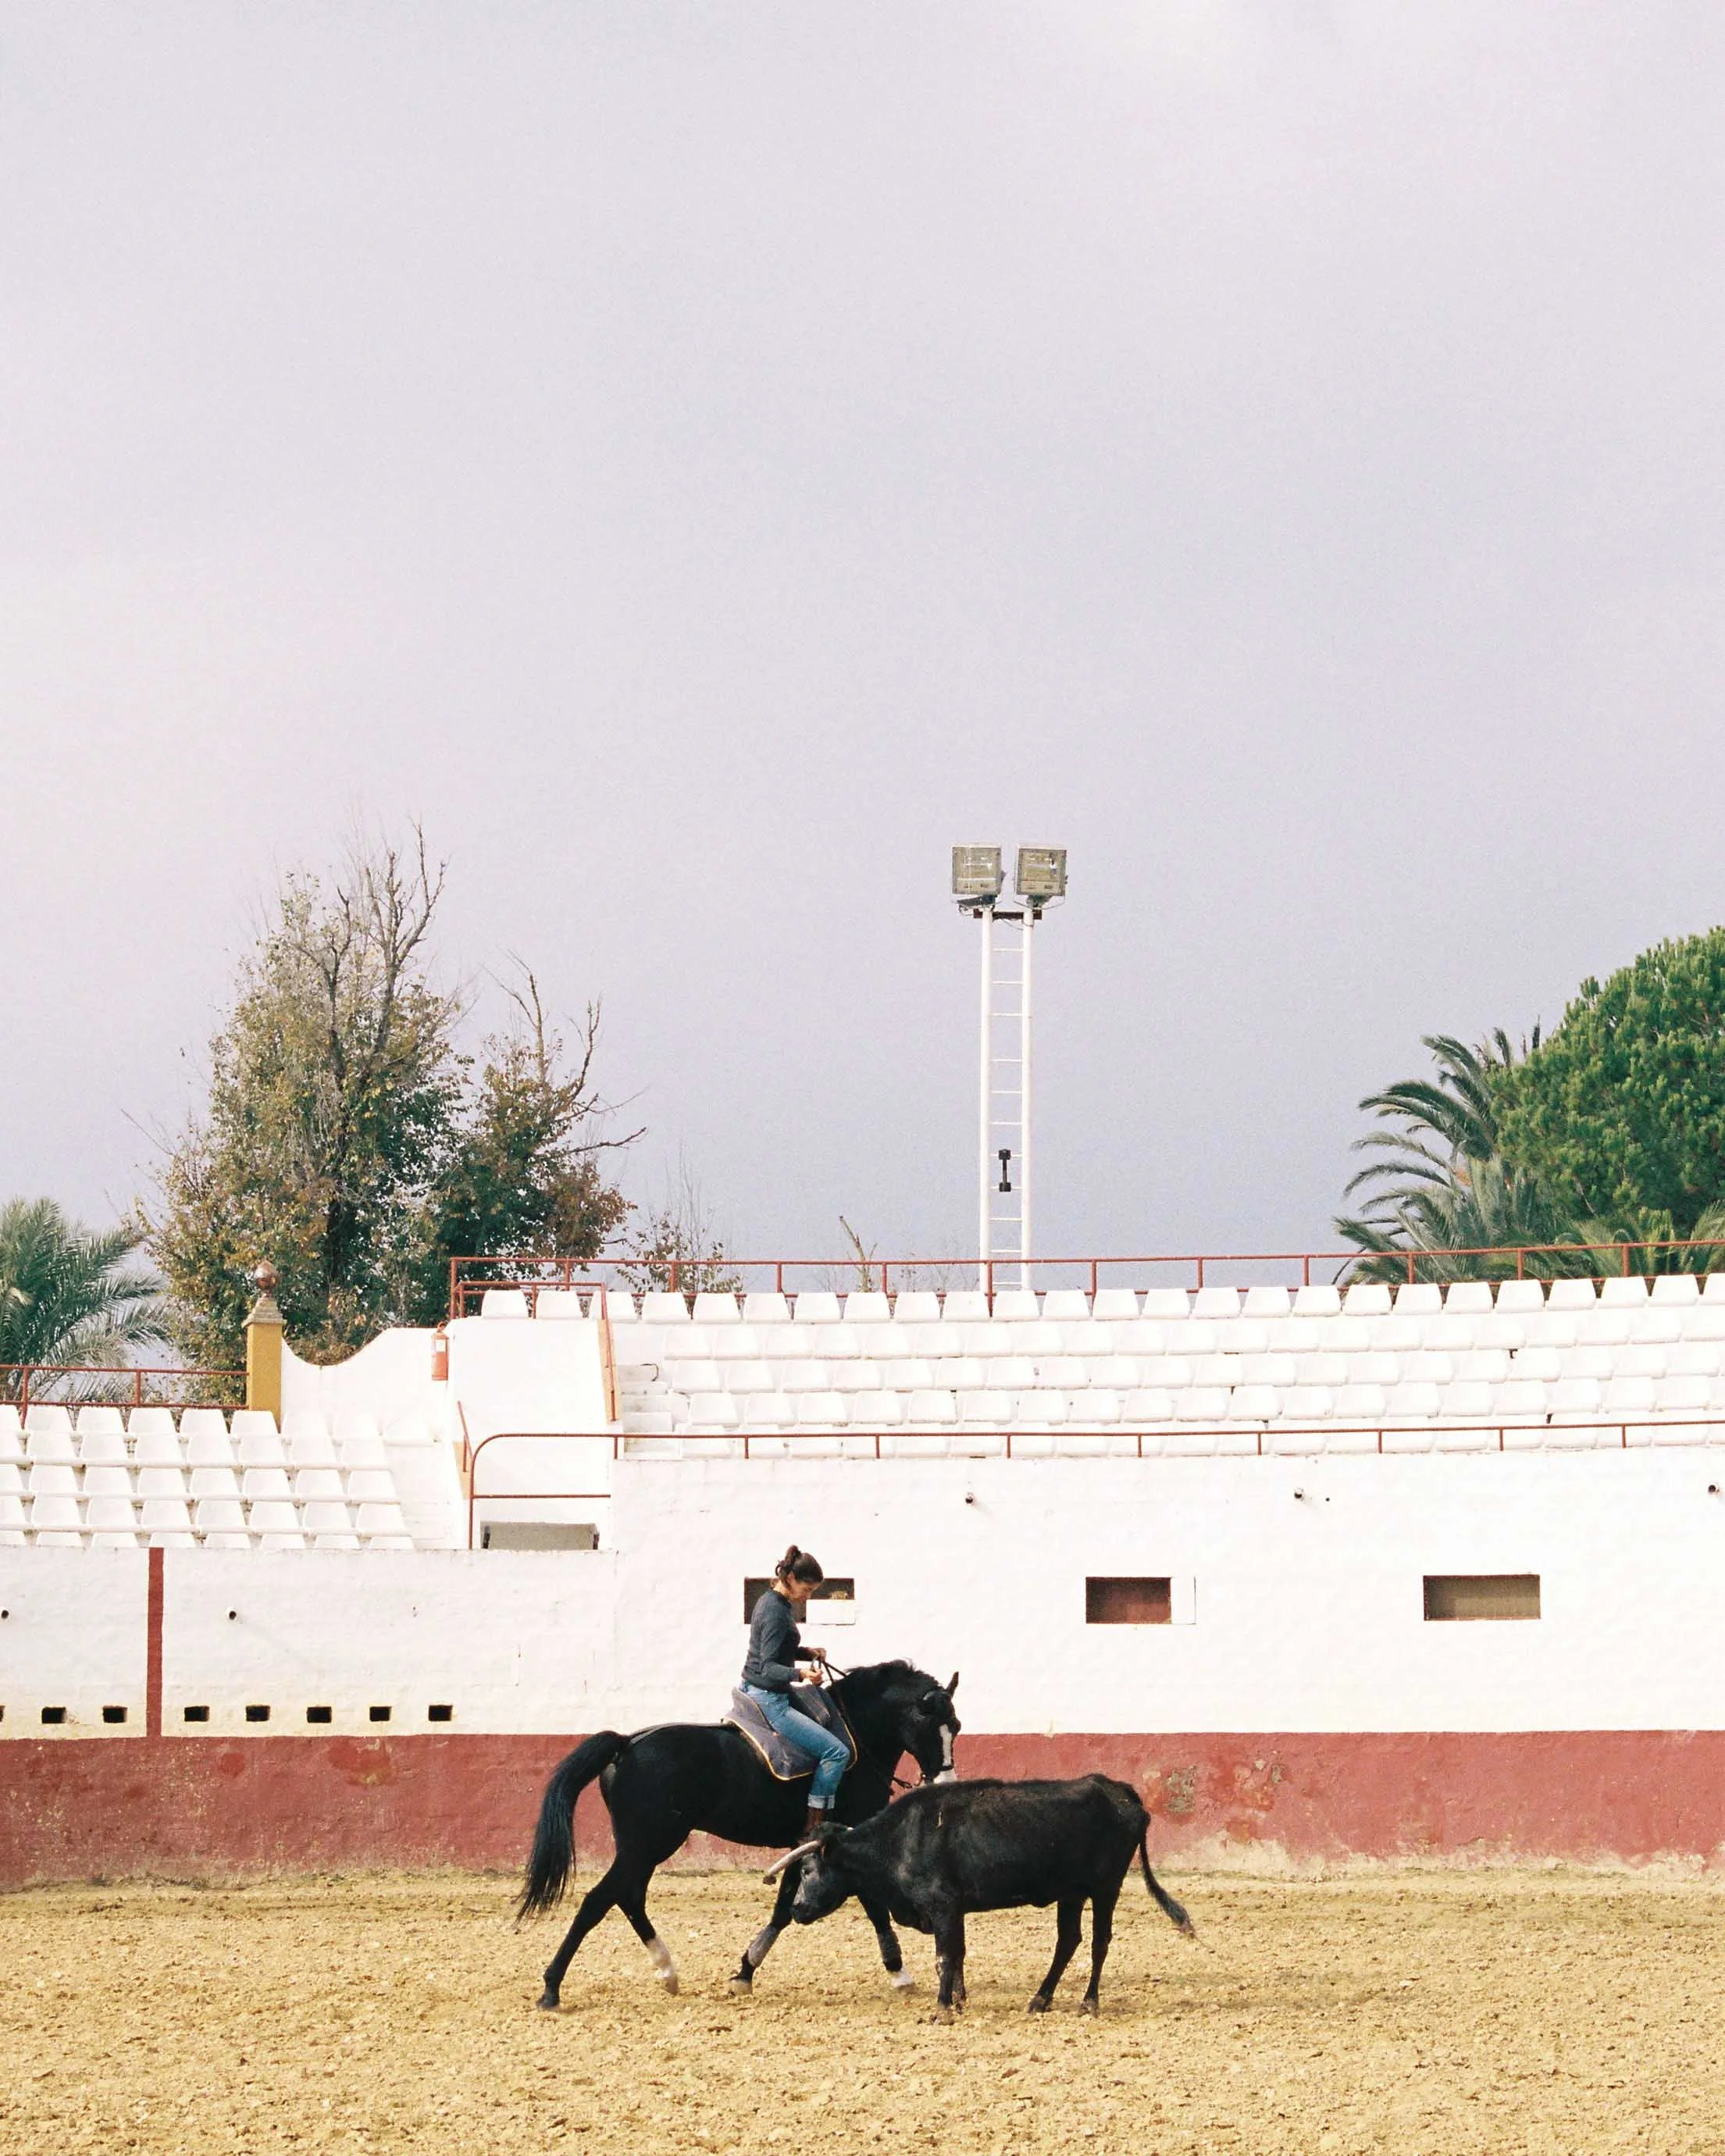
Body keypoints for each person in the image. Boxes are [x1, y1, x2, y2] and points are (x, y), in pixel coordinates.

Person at [741, 1545, 850, 1837]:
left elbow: (778, 1649)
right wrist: (800, 1673)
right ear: (789, 1578)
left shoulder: (771, 1602)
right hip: (770, 1699)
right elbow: (768, 1667)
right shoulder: (776, 1611)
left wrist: (805, 1652)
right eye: (807, 1588)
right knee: (836, 1752)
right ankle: (813, 1828)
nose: (808, 1595)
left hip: (759, 1690)